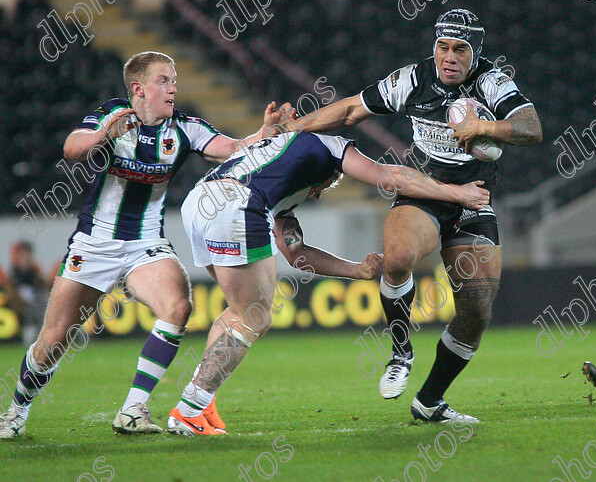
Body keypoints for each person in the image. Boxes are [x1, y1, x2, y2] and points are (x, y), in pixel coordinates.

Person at [0, 51, 286, 438]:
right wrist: (105, 135)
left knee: (178, 306)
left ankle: (133, 409)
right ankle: (17, 409)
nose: (173, 88)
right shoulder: (113, 114)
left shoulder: (184, 127)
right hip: (96, 241)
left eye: (174, 80)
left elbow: (233, 147)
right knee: (53, 340)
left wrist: (263, 134)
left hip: (146, 243)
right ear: (138, 88)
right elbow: (72, 148)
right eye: (164, 80)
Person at [280, 9, 542, 423]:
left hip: (473, 202)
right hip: (423, 192)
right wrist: (294, 129)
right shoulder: (412, 79)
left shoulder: (493, 82)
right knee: (398, 258)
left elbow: (531, 127)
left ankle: (430, 402)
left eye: (460, 49)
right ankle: (401, 352)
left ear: (476, 53)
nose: (449, 57)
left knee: (476, 312)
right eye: (442, 47)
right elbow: (350, 111)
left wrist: (485, 129)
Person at [166, 130, 490, 435]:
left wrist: (357, 271)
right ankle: (189, 410)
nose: (321, 192)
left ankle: (203, 402)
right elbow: (385, 176)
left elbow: (295, 254)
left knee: (237, 311)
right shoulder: (330, 146)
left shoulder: (278, 175)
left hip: (200, 203)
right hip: (236, 205)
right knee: (253, 316)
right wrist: (455, 193)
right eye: (330, 182)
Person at [1, 242, 48, 347]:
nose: (26, 259)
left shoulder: (35, 273)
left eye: (28, 256)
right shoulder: (13, 275)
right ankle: (31, 331)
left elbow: (44, 289)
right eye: (23, 256)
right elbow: (10, 294)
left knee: (44, 306)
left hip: (37, 303)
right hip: (23, 307)